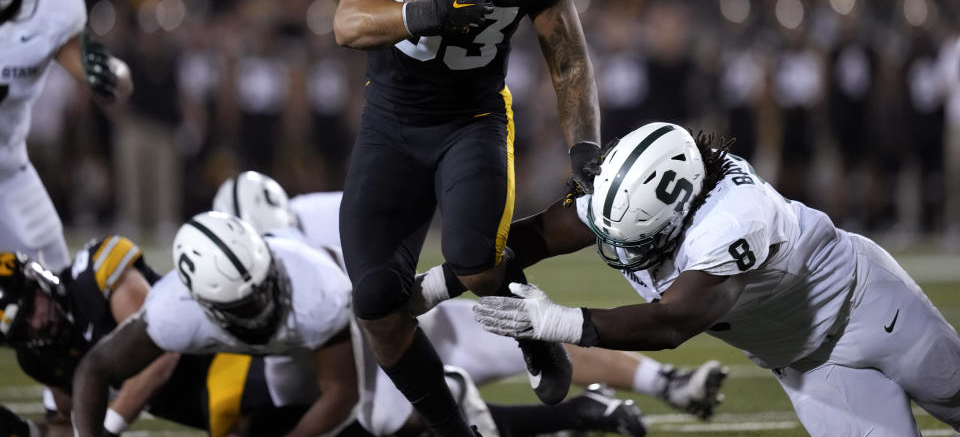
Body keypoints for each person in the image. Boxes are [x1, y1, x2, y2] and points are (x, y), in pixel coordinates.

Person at [333, 0, 601, 434]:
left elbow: (567, 58)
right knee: (375, 301)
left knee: (476, 257)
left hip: (473, 118)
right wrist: (425, 15)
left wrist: (585, 146)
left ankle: (536, 336)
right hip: (392, 120)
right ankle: (451, 430)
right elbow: (347, 23)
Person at [468, 122, 960, 437]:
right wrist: (434, 282)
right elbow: (529, 239)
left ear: (679, 213)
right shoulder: (630, 199)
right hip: (806, 367)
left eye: (639, 240)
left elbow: (672, 322)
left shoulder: (733, 217)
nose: (624, 252)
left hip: (870, 310)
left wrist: (561, 321)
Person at [71, 212, 648, 437]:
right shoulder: (173, 314)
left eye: (260, 289)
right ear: (208, 307)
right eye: (243, 305)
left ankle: (571, 412)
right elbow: (96, 367)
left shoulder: (310, 293)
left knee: (390, 426)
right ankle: (577, 412)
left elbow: (340, 392)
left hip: (346, 333)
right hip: (276, 360)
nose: (260, 305)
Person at [213, 170, 727, 421]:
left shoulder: (329, 211)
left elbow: (398, 244)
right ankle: (576, 418)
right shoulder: (248, 274)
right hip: (358, 357)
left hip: (409, 326)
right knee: (400, 424)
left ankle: (668, 383)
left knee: (533, 332)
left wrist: (421, 288)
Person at [0, 238, 284, 437]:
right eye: (23, 327)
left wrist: (109, 428)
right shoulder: (38, 359)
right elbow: (77, 427)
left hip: (235, 359)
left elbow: (163, 349)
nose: (37, 322)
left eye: (30, 308)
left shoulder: (95, 274)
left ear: (37, 280)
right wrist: (27, 431)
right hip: (213, 411)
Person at [0, 0, 132, 271]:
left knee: (57, 288)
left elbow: (99, 67)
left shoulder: (50, 5)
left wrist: (111, 74)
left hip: (9, 172)